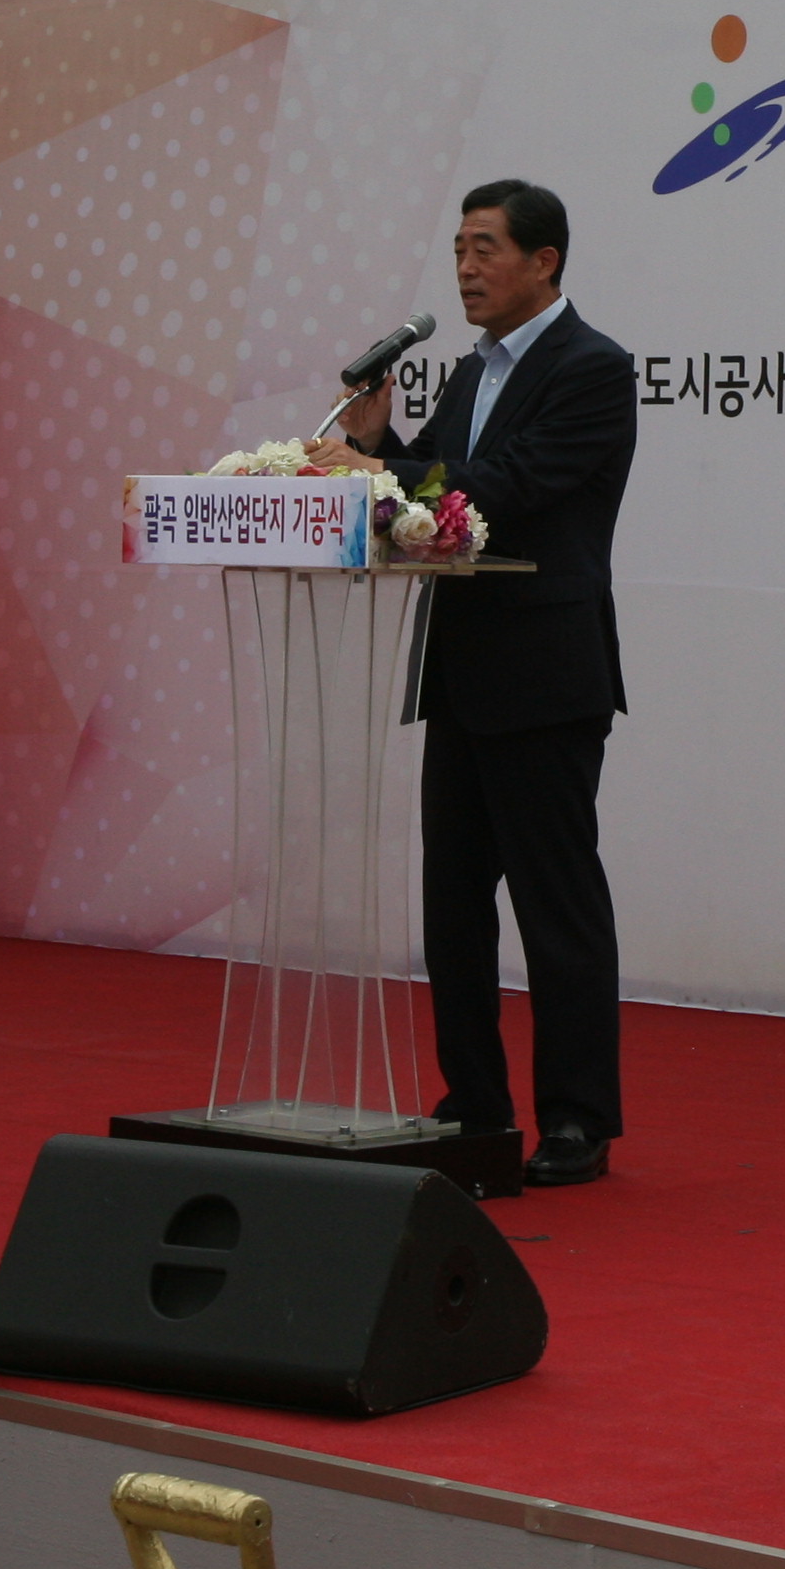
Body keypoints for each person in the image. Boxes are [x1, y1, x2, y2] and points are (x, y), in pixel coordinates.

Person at [317, 180, 638, 1188]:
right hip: (458, 673)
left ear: (545, 260)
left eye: (485, 248)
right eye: (458, 248)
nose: (465, 267)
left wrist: (373, 473)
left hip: (546, 678)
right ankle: (474, 1106)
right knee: (453, 908)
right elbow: (436, 486)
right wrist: (377, 446)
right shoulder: (467, 371)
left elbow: (510, 485)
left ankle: (576, 1118)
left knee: (555, 907)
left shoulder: (594, 368)